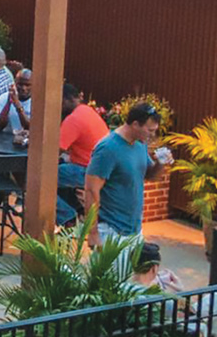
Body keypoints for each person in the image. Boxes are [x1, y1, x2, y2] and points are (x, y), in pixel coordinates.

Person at [82, 101, 172, 239]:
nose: (152, 135)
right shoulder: (108, 148)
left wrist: (161, 163)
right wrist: (93, 233)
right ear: (135, 124)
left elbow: (150, 176)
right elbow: (91, 190)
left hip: (134, 229)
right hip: (111, 231)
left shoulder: (139, 144)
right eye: (150, 130)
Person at [58, 82, 109, 167]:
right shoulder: (87, 110)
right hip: (100, 165)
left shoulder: (73, 119)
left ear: (66, 100)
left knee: (53, 172)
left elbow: (54, 151)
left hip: (86, 167)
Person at [0, 69, 34, 134]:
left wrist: (18, 105)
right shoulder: (4, 97)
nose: (23, 88)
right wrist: (9, 102)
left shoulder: (38, 102)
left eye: (27, 85)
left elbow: (30, 128)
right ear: (15, 83)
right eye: (20, 84)